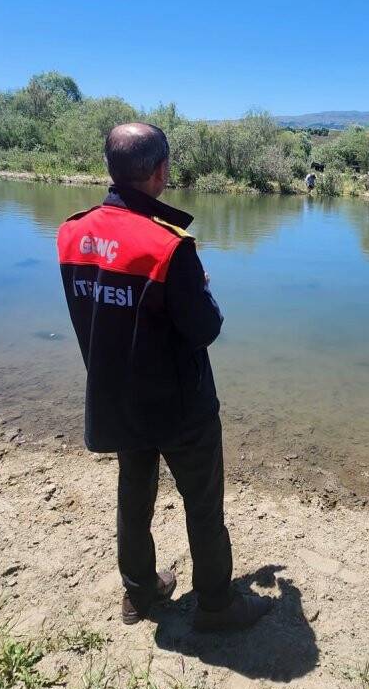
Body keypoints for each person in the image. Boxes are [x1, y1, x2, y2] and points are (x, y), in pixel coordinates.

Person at [56, 122, 272, 631]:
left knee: (134, 496)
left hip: (115, 395)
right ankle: (217, 606)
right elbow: (205, 328)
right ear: (160, 171)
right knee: (203, 505)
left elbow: (105, 309)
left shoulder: (71, 233)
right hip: (181, 405)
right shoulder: (169, 248)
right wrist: (197, 287)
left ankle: (139, 594)